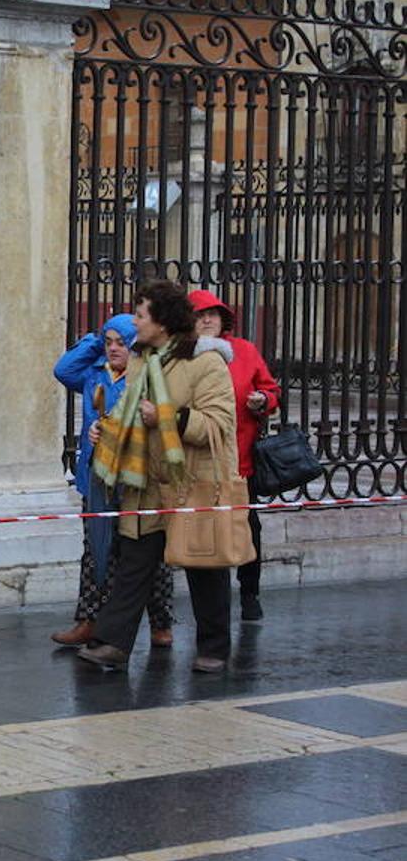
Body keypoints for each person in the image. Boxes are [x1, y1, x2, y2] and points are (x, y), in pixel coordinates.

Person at [79, 280, 239, 674]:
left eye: (140, 314)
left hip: (193, 480)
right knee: (135, 562)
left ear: (163, 321)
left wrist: (167, 418)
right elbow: (129, 414)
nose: (135, 321)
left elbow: (220, 424)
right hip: (146, 481)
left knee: (204, 565)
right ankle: (114, 643)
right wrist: (106, 430)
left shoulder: (206, 362)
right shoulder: (139, 359)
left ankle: (214, 649)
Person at [50, 315, 175, 649]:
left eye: (122, 342)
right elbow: (63, 370)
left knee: (146, 554)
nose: (114, 348)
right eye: (110, 342)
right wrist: (97, 335)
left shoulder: (145, 375)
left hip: (133, 476)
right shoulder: (95, 373)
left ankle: (161, 622)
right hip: (97, 476)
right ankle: (88, 620)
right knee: (94, 552)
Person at [189, 289, 281, 622]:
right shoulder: (184, 355)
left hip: (241, 461)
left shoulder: (244, 350)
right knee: (203, 531)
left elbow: (271, 390)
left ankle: (249, 592)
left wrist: (262, 400)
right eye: (200, 315)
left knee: (247, 529)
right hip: (198, 462)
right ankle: (211, 605)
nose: (208, 320)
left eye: (213, 314)